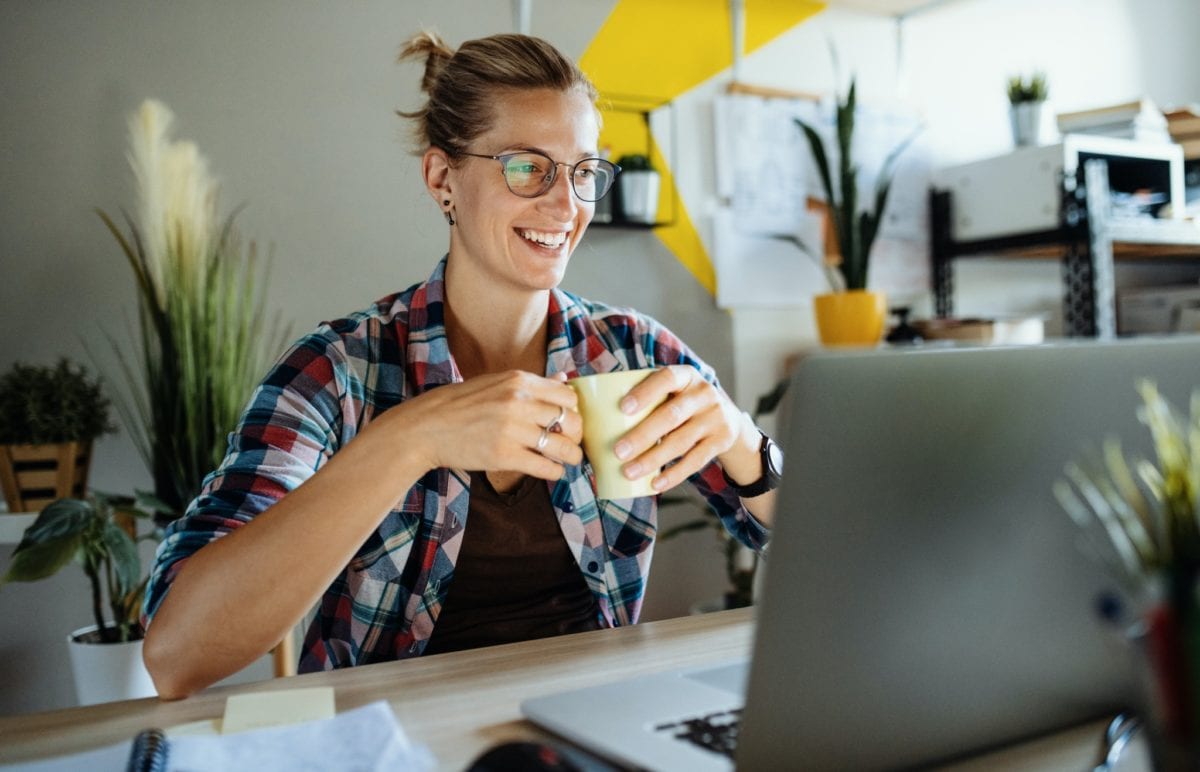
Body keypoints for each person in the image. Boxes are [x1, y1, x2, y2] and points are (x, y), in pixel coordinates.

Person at [142, 30, 779, 700]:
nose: (566, 206)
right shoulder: (338, 372)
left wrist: (741, 440)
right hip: (392, 739)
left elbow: (824, 549)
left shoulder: (631, 353)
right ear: (443, 178)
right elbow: (177, 654)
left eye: (585, 171)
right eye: (528, 167)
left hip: (591, 721)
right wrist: (413, 437)